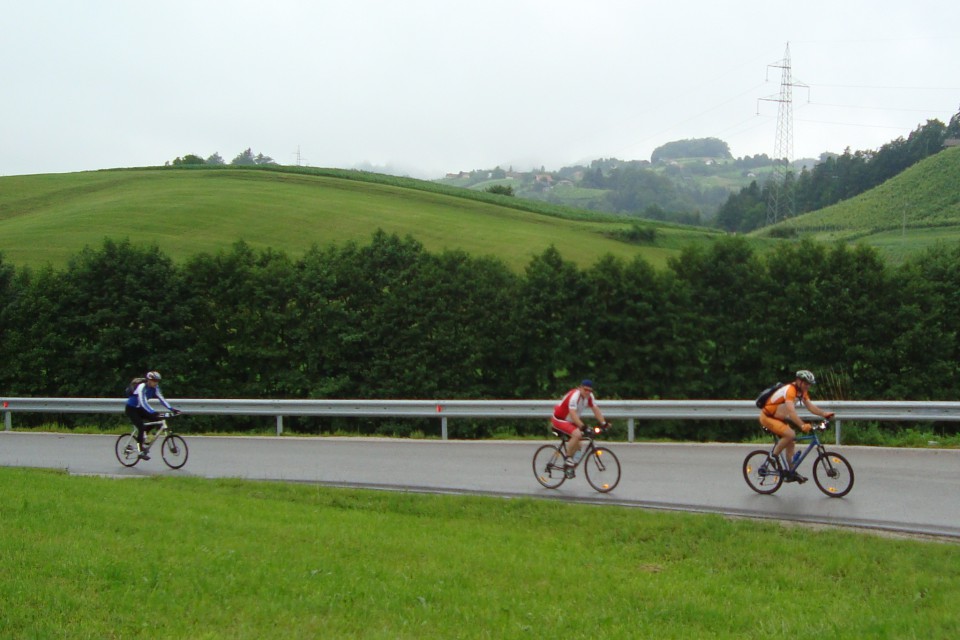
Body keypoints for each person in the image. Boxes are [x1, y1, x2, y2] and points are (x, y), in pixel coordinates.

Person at [758, 369, 834, 483]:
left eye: (809, 384)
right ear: (799, 381)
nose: (808, 386)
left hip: (778, 417)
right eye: (806, 383)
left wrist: (824, 414)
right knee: (790, 434)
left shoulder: (802, 392)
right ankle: (772, 458)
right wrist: (802, 425)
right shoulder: (790, 390)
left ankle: (791, 472)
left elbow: (810, 406)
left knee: (791, 442)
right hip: (767, 417)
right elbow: (791, 412)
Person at [551, 379, 607, 467]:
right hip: (559, 419)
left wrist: (604, 423)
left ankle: (571, 467)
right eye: (585, 390)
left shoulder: (589, 397)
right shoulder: (574, 396)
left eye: (590, 390)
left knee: (579, 444)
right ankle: (568, 458)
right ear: (580, 388)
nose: (587, 392)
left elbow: (596, 410)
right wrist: (583, 426)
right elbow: (573, 413)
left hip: (569, 421)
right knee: (577, 434)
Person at [125, 370, 179, 459]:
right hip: (132, 409)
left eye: (157, 381)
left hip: (140, 409)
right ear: (149, 380)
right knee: (141, 427)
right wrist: (152, 411)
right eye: (154, 381)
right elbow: (143, 402)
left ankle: (144, 436)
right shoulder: (142, 387)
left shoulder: (155, 388)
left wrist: (172, 409)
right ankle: (140, 451)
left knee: (156, 420)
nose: (156, 383)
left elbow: (162, 399)